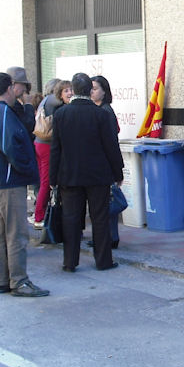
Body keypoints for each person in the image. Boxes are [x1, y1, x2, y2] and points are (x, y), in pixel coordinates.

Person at [0, 72, 48, 297]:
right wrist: (28, 170)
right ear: (9, 89)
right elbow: (11, 147)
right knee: (16, 233)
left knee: (2, 232)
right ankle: (18, 280)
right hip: (8, 182)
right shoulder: (2, 112)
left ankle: (3, 279)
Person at [50, 73, 123, 271]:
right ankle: (103, 260)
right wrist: (118, 173)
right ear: (89, 91)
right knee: (99, 218)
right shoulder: (101, 114)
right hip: (97, 175)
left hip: (69, 175)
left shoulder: (61, 114)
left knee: (71, 218)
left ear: (73, 90)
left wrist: (52, 178)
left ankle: (70, 261)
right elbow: (111, 146)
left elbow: (55, 149)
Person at [91, 75, 121, 248]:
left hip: (106, 164)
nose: (92, 92)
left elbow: (111, 141)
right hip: (98, 163)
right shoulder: (95, 110)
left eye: (95, 88)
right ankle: (104, 237)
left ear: (104, 91)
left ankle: (111, 237)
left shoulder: (106, 111)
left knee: (108, 202)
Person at [33, 78, 62, 228]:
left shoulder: (44, 101)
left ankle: (38, 213)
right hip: (46, 145)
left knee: (43, 180)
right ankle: (39, 216)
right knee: (46, 182)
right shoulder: (51, 100)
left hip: (39, 143)